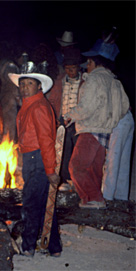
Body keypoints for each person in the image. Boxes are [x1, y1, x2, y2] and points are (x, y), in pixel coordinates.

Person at [63, 41, 130, 209]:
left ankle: (95, 198)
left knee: (76, 167)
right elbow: (124, 107)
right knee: (94, 170)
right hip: (105, 132)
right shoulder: (115, 82)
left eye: (89, 63)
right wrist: (109, 120)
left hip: (90, 129)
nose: (86, 66)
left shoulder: (94, 79)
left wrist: (68, 116)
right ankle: (91, 202)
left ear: (93, 62)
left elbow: (86, 108)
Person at [8, 72, 62, 257]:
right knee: (46, 203)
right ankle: (54, 247)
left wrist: (50, 169)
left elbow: (46, 140)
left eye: (29, 83)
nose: (24, 87)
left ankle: (28, 246)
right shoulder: (30, 105)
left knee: (31, 203)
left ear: (39, 86)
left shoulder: (38, 107)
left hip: (37, 159)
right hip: (33, 157)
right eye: (22, 84)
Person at [51, 48, 84, 192]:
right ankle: (64, 180)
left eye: (73, 68)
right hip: (63, 121)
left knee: (78, 152)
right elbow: (53, 101)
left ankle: (76, 180)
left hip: (78, 122)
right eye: (68, 69)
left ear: (79, 67)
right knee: (63, 151)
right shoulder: (60, 82)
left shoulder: (84, 81)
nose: (71, 72)